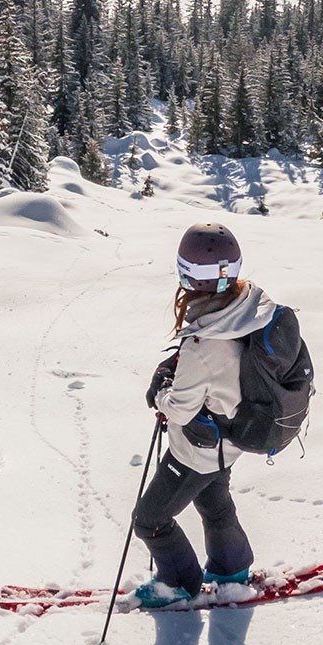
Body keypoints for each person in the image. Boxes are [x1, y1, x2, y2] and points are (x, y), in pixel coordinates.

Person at [135, 222, 279, 608]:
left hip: (196, 451)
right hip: (229, 438)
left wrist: (163, 391)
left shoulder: (204, 344)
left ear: (186, 275)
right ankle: (231, 568)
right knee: (215, 504)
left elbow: (181, 407)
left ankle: (178, 584)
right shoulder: (247, 307)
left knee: (150, 520)